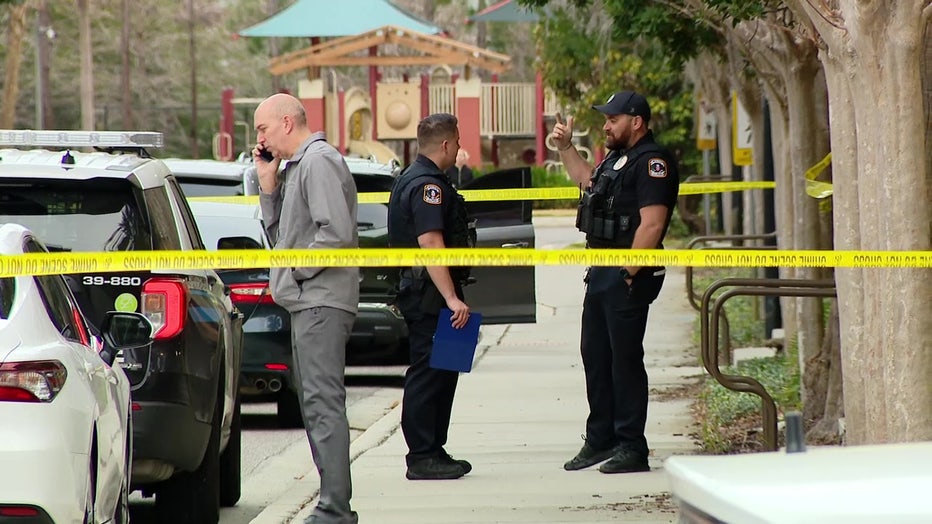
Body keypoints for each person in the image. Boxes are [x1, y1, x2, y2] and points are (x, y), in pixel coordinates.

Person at [550, 90, 680, 474]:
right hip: (602, 271)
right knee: (596, 356)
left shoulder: (653, 162)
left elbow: (652, 223)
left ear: (636, 121)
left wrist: (629, 272)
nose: (606, 126)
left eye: (613, 119)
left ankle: (631, 447)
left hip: (627, 273)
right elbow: (588, 183)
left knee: (624, 361)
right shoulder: (618, 159)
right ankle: (601, 439)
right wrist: (566, 147)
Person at [253, 93, 359, 524]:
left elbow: (335, 235)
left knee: (322, 403)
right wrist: (267, 185)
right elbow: (285, 235)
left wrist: (294, 273)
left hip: (320, 300)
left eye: (262, 129)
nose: (259, 139)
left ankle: (335, 509)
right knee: (315, 404)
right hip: (309, 301)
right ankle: (332, 504)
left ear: (286, 123)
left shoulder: (318, 161)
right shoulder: (298, 167)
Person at [387, 113, 477, 481]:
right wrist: (452, 298)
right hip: (429, 294)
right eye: (456, 142)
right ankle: (422, 455)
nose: (458, 149)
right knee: (429, 372)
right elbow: (430, 242)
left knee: (446, 369)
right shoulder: (427, 185)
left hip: (434, 290)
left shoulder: (418, 178)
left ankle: (435, 449)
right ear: (444, 145)